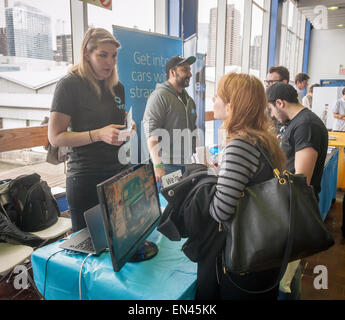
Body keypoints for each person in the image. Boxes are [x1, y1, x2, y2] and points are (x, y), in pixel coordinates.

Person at [205, 73, 286, 300]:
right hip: (268, 253)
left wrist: (206, 191)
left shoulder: (240, 144)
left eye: (218, 96)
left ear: (231, 106)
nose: (213, 100)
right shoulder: (262, 138)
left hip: (248, 261)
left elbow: (221, 211)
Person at [48, 28, 135, 232]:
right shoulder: (69, 85)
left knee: (121, 239)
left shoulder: (118, 87)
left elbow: (115, 123)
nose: (110, 62)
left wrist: (128, 128)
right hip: (86, 180)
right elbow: (55, 137)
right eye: (102, 55)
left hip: (118, 175)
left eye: (113, 56)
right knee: (90, 249)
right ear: (87, 54)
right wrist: (98, 134)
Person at [266, 82, 328, 300]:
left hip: (295, 209)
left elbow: (301, 179)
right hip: (291, 207)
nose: (272, 115)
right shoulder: (298, 123)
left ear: (280, 103)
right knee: (290, 275)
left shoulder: (305, 126)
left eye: (272, 109)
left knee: (285, 280)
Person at [143, 55, 198, 184]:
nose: (189, 74)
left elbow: (193, 129)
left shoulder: (189, 100)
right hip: (168, 166)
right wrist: (158, 165)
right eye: (185, 70)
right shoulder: (159, 96)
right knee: (169, 203)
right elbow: (151, 134)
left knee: (183, 202)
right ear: (172, 72)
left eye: (189, 70)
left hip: (187, 164)